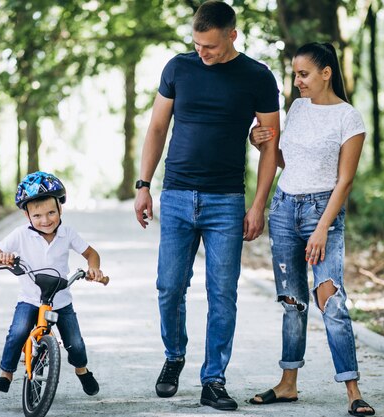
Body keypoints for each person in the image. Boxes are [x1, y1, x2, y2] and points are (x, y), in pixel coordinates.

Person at [133, 0, 280, 411]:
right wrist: (143, 185)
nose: (202, 52)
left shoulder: (257, 76)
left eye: (210, 46)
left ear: (232, 35)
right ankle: (174, 356)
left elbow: (270, 145)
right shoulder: (178, 68)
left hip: (226, 202)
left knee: (222, 295)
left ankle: (213, 379)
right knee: (168, 287)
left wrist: (258, 205)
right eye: (197, 44)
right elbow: (158, 127)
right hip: (177, 196)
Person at [248, 42, 375, 417]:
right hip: (285, 208)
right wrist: (260, 145)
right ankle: (288, 384)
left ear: (326, 73)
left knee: (330, 300)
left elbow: (345, 181)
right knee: (292, 301)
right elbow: (289, 161)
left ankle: (353, 390)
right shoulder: (298, 108)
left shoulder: (349, 118)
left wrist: (322, 228)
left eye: (303, 74)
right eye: (295, 75)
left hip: (324, 213)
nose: (297, 81)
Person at [0, 171, 104, 397]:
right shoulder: (20, 235)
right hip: (30, 299)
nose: (46, 220)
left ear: (61, 208)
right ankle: (5, 376)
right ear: (27, 215)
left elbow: (91, 253)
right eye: (37, 215)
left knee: (75, 343)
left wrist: (94, 268)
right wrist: (4, 257)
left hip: (60, 300)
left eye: (51, 212)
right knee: (18, 332)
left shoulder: (67, 234)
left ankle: (82, 370)